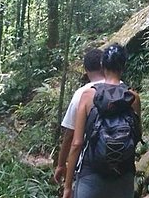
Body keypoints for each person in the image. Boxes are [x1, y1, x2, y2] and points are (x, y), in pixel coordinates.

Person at [63, 43, 141, 198]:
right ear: (123, 66)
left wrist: (67, 186)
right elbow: (136, 135)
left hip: (91, 176)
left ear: (102, 65)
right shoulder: (133, 97)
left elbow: (77, 143)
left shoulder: (87, 96)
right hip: (124, 176)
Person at [53, 48, 105, 184]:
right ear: (105, 66)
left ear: (86, 70)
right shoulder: (126, 91)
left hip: (90, 169)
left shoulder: (82, 94)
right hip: (124, 170)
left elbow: (71, 136)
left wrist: (61, 164)